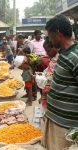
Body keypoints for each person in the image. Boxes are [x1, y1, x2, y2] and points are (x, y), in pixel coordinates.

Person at [41, 14, 78, 150]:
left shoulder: (75, 56)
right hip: (57, 121)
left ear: (58, 33)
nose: (49, 39)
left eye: (49, 35)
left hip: (67, 127)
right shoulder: (63, 53)